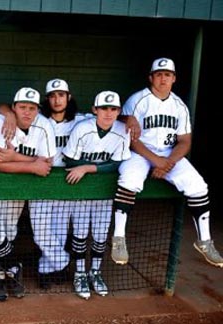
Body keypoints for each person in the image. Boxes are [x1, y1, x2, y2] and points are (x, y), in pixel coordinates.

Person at [111, 58, 223, 268]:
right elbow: (131, 139)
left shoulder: (179, 106)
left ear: (174, 78)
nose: (163, 78)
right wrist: (157, 162)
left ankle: (205, 241)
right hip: (140, 152)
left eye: (167, 75)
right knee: (129, 180)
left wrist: (168, 163)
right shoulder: (138, 99)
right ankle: (118, 238)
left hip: (169, 155)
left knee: (198, 186)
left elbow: (185, 141)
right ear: (151, 77)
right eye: (159, 74)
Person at [0, 86, 55, 301]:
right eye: (22, 107)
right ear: (13, 108)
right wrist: (32, 165)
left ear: (38, 110)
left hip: (20, 187)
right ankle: (14, 265)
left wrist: (15, 157)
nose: (27, 112)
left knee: (9, 229)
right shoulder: (0, 122)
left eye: (32, 108)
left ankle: (3, 274)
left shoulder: (44, 126)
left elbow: (47, 163)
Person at [62, 90, 131, 299]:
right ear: (95, 110)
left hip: (104, 190)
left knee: (101, 235)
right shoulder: (82, 129)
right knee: (81, 233)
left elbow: (120, 162)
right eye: (103, 108)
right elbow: (69, 160)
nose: (108, 113)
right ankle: (80, 273)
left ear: (119, 111)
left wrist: (88, 168)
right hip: (81, 189)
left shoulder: (121, 130)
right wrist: (93, 166)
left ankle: (96, 271)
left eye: (113, 109)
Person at [35, 79, 91, 289]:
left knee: (59, 230)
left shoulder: (82, 120)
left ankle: (47, 270)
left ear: (69, 97)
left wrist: (130, 120)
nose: (57, 100)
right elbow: (6, 110)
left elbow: (109, 118)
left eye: (61, 95)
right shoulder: (38, 119)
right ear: (47, 99)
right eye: (52, 95)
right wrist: (8, 112)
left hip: (69, 180)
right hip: (43, 179)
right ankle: (60, 264)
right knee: (42, 230)